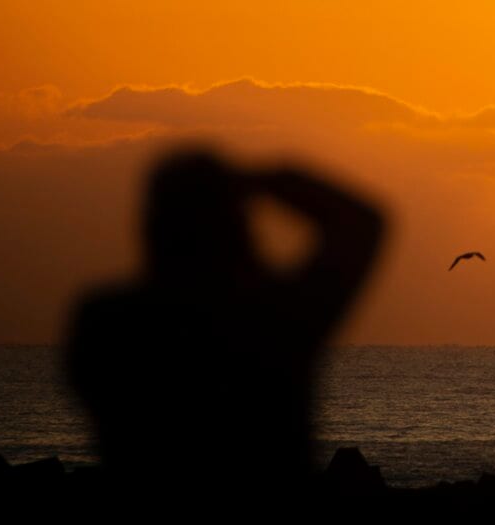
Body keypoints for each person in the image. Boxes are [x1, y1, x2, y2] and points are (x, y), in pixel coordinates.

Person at [65, 148, 385, 489]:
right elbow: (360, 222)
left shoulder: (106, 322)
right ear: (239, 229)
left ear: (152, 226)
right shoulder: (273, 320)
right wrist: (254, 180)